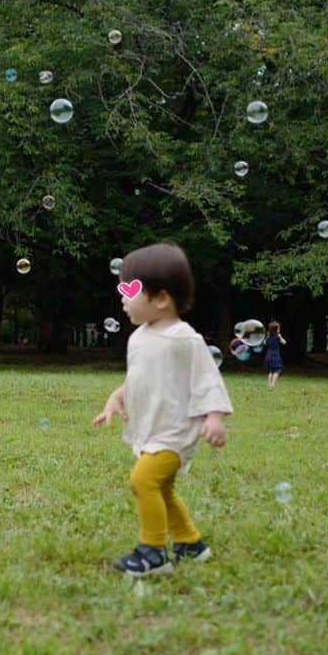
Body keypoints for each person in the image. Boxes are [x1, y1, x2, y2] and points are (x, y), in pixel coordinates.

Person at [94, 242, 233, 576]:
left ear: (161, 299)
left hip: (175, 430)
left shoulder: (184, 338)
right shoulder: (139, 337)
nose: (123, 298)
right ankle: (190, 543)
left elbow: (206, 378)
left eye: (131, 290)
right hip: (151, 428)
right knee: (163, 488)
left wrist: (214, 416)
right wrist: (118, 396)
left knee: (143, 480)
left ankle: (153, 552)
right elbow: (140, 378)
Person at [264, 320, 286, 389]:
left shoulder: (269, 338)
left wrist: (267, 337)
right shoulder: (277, 337)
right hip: (276, 356)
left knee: (271, 371)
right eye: (279, 328)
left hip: (268, 356)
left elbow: (264, 343)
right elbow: (284, 342)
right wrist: (280, 337)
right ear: (276, 330)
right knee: (277, 370)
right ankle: (273, 384)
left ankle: (269, 384)